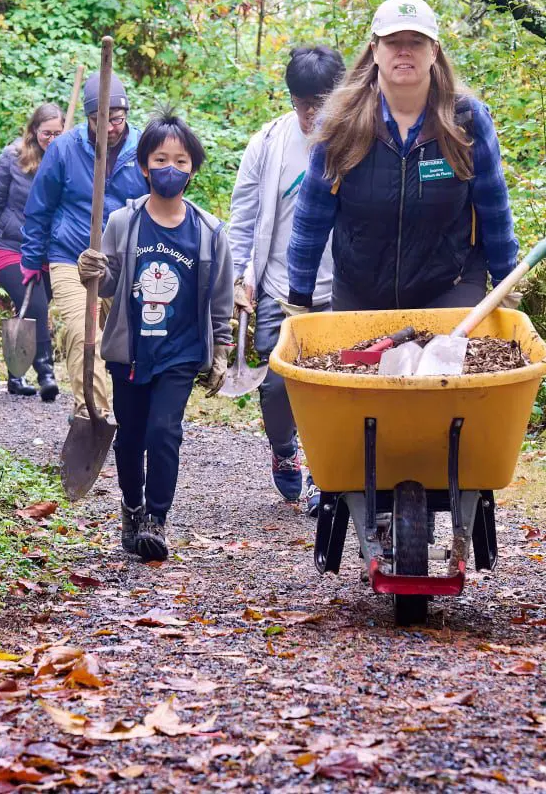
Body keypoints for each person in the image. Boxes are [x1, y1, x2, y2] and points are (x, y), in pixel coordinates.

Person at [283, 0, 520, 314]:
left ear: (434, 51)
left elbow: (494, 210)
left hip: (450, 289)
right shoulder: (341, 122)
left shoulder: (466, 121)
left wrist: (507, 287)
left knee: (437, 365)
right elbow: (311, 217)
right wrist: (299, 299)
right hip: (360, 293)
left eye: (417, 41)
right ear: (374, 50)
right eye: (393, 41)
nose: (404, 50)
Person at [77, 110, 233, 562]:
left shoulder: (208, 231)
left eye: (181, 162)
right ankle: (131, 504)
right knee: (130, 437)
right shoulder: (124, 223)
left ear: (193, 169)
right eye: (161, 159)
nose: (171, 169)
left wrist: (219, 348)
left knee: (165, 431)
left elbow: (220, 295)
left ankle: (156, 519)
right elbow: (107, 285)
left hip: (180, 351)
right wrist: (94, 271)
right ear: (144, 166)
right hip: (131, 349)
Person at [228, 45, 344, 503]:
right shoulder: (269, 142)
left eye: (319, 103)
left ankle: (324, 472)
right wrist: (240, 277)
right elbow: (244, 215)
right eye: (301, 103)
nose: (310, 114)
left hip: (339, 286)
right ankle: (283, 449)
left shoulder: (357, 139)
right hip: (278, 286)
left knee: (332, 386)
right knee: (277, 388)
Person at [20, 74, 149, 419]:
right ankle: (92, 415)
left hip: (125, 260)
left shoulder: (144, 149)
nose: (109, 128)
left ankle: (135, 413)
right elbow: (39, 206)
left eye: (117, 120)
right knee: (83, 332)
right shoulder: (65, 148)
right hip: (71, 255)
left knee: (128, 342)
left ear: (126, 114)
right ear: (88, 118)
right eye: (99, 120)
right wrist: (31, 259)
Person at [0, 104, 64, 399]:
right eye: (46, 133)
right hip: (11, 246)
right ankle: (45, 371)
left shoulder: (67, 158)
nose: (51, 138)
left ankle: (15, 375)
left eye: (58, 133)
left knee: (27, 310)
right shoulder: (14, 156)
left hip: (48, 250)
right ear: (34, 130)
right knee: (34, 304)